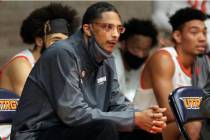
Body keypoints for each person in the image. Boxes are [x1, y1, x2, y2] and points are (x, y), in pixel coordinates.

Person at [11, 2, 167, 140]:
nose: (115, 34)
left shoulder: (107, 57)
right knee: (104, 128)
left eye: (119, 29)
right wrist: (134, 118)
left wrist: (145, 116)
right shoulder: (62, 53)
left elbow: (116, 103)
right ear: (87, 29)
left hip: (75, 129)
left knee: (148, 131)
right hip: (38, 132)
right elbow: (73, 115)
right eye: (107, 27)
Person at [137, 7, 207, 140]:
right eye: (194, 32)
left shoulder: (202, 65)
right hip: (145, 130)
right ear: (177, 36)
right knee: (193, 125)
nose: (202, 38)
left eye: (204, 33)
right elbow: (168, 112)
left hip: (172, 129)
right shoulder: (164, 58)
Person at [0, 3, 79, 96]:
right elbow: (31, 106)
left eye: (66, 41)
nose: (62, 46)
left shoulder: (55, 64)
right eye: (56, 40)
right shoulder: (21, 65)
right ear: (39, 41)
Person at [113, 18, 158, 102]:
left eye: (145, 51)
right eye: (136, 49)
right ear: (123, 44)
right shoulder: (109, 64)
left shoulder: (144, 68)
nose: (140, 55)